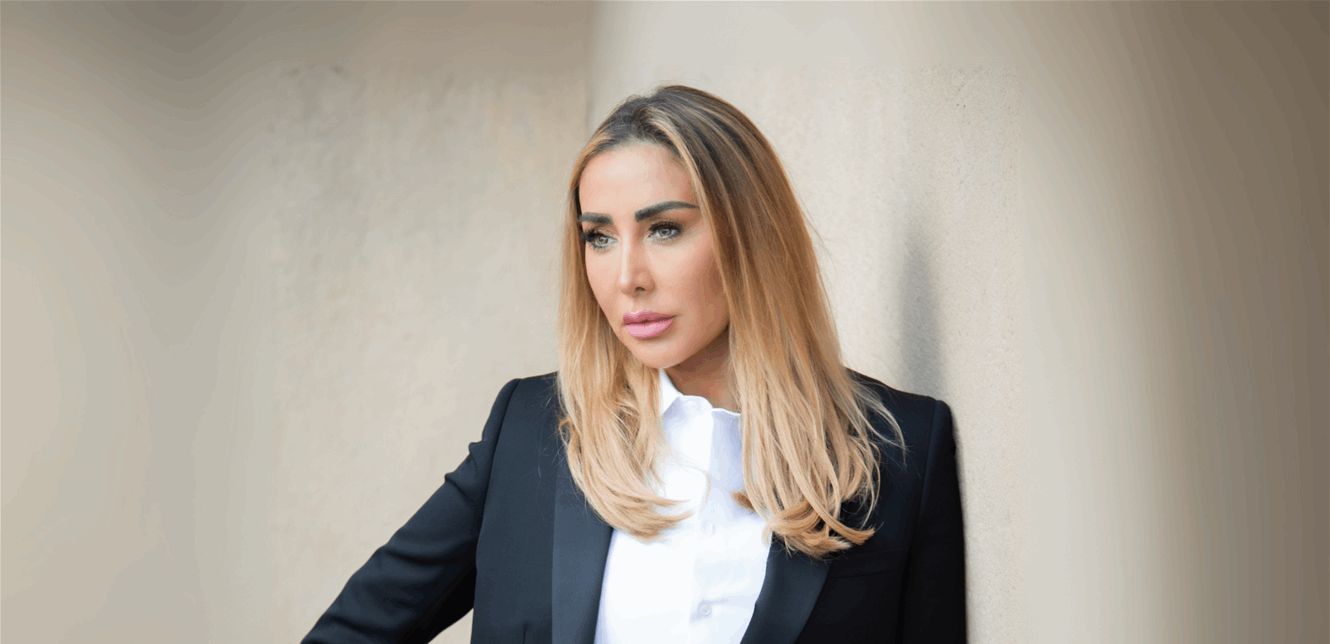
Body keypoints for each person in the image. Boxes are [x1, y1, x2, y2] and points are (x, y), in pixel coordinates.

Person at [302, 84, 966, 644]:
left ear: (752, 234)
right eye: (599, 237)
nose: (627, 277)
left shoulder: (902, 447)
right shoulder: (532, 432)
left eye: (664, 229)